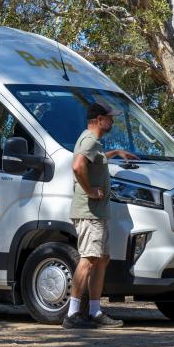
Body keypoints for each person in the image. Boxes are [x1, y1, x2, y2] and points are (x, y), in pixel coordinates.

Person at [63, 101, 137, 329]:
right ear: (98, 120)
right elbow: (78, 166)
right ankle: (73, 314)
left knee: (101, 259)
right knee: (88, 259)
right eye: (109, 117)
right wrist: (90, 190)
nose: (112, 121)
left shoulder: (93, 143)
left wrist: (114, 153)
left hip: (98, 213)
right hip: (89, 213)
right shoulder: (89, 139)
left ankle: (95, 312)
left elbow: (93, 158)